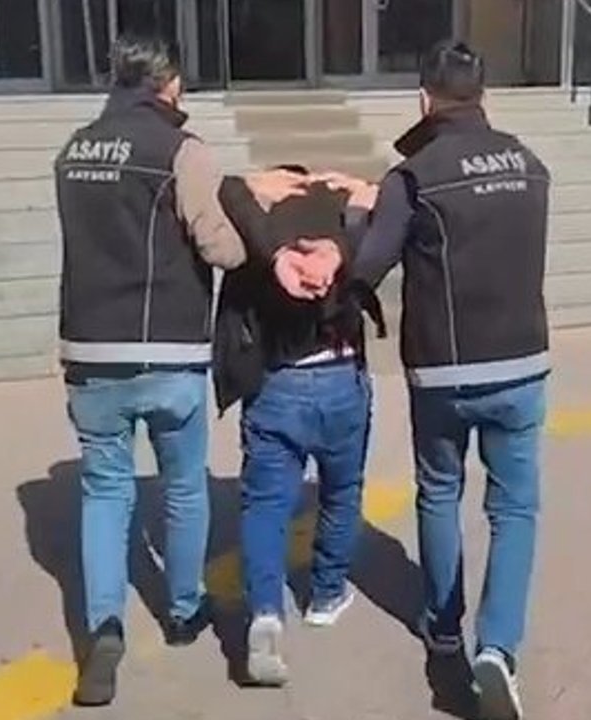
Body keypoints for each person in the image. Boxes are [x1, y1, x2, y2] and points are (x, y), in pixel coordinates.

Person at [53, 35, 304, 707]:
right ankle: (185, 609)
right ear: (167, 85)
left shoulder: (75, 150)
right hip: (168, 348)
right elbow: (220, 247)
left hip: (90, 348)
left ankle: (104, 628)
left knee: (105, 492)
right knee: (185, 487)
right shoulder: (181, 150)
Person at [335, 41, 551, 720]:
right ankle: (499, 649)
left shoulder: (412, 177)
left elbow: (367, 266)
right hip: (522, 361)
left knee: (439, 491)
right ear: (483, 95)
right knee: (514, 509)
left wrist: (357, 216)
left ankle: (444, 626)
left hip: (444, 369)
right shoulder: (530, 164)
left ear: (424, 98)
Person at [212, 166, 383, 686]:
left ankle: (266, 612)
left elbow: (226, 190)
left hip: (276, 382)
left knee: (265, 505)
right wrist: (357, 193)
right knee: (341, 491)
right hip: (340, 377)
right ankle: (327, 595)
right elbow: (387, 210)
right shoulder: (342, 232)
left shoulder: (261, 235)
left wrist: (251, 186)